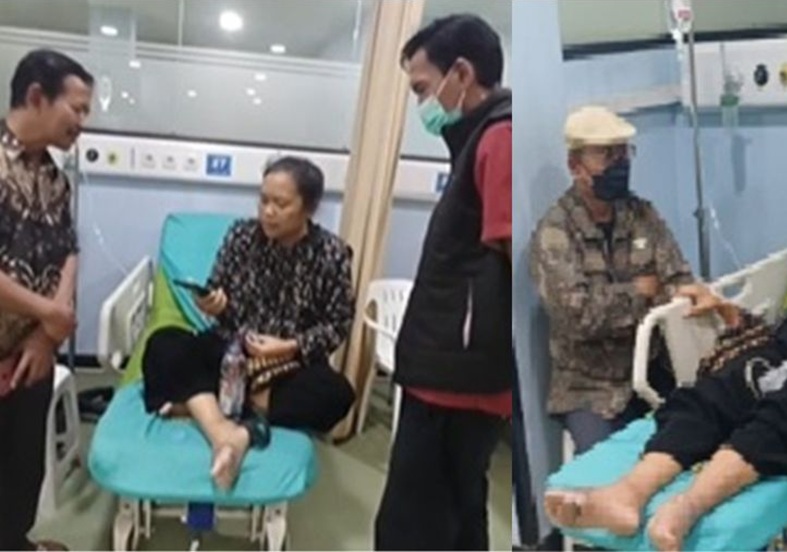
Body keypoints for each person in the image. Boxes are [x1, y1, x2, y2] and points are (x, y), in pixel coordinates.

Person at [545, 191, 787, 551]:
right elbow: (776, 323)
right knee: (716, 390)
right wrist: (725, 308)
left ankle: (686, 508)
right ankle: (628, 493)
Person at [374, 14, 512, 551]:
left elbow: (515, 252)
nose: (421, 105)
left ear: (461, 73)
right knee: (457, 512)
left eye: (421, 89)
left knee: (413, 526)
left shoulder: (498, 139)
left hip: (458, 379)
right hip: (453, 371)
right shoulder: (478, 138)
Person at [141, 156, 356, 490]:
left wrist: (291, 346)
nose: (268, 211)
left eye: (280, 204)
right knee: (164, 344)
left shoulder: (332, 253)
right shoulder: (241, 235)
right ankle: (226, 433)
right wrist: (211, 302)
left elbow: (338, 323)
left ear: (309, 208)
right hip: (230, 352)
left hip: (287, 366)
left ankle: (211, 411)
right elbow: (217, 289)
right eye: (263, 200)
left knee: (337, 394)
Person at [530, 105, 693, 455]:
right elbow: (577, 316)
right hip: (590, 388)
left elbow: (678, 279)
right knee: (607, 471)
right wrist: (639, 292)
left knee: (696, 440)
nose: (619, 163)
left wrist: (676, 293)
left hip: (651, 370)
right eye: (606, 154)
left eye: (623, 152)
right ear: (575, 166)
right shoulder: (555, 232)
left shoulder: (642, 215)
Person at [0, 49, 93, 552]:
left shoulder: (55, 178)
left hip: (30, 354)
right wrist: (48, 313)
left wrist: (45, 334)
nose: (82, 122)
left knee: (21, 469)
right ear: (36, 96)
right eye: (76, 109)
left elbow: (68, 250)